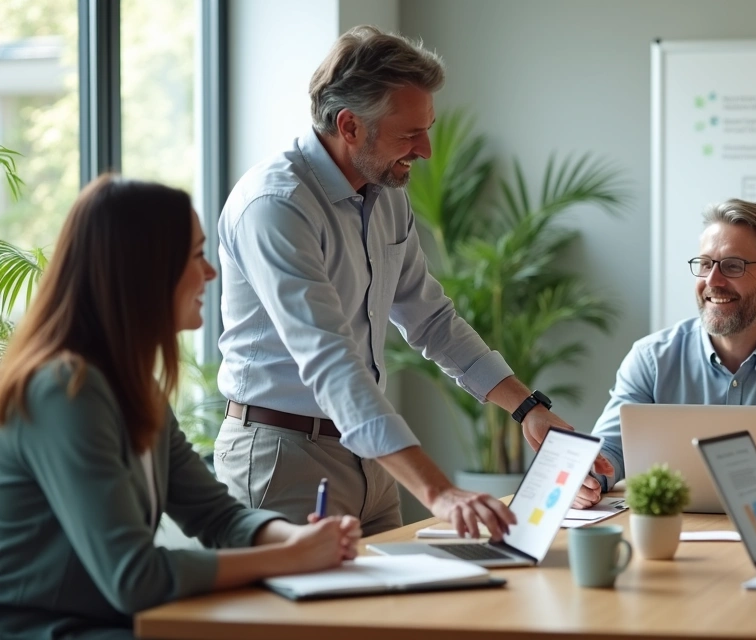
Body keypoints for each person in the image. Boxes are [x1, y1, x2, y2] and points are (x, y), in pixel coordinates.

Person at [214, 25, 606, 537]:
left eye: (428, 128)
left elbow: (431, 320)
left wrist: (527, 408)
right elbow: (331, 362)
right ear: (349, 125)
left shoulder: (386, 192)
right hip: (283, 462)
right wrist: (438, 492)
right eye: (409, 133)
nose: (424, 149)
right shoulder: (277, 207)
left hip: (372, 458)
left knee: (391, 615)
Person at [0, 176, 361, 640]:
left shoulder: (134, 386)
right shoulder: (65, 392)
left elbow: (218, 516)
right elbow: (135, 578)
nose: (211, 273)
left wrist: (300, 539)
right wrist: (291, 558)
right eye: (195, 255)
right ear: (145, 272)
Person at [578, 198, 756, 507]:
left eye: (733, 266)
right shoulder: (650, 358)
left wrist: (721, 479)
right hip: (671, 531)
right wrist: (588, 476)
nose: (712, 281)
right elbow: (610, 450)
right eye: (705, 264)